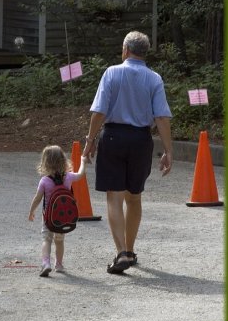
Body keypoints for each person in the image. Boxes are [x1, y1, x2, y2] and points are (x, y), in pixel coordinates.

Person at [82, 30, 172, 274]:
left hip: (113, 136)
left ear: (125, 50)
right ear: (145, 53)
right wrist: (168, 150)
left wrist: (90, 140)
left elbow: (99, 111)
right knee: (134, 196)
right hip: (141, 139)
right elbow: (161, 116)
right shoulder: (154, 78)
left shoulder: (112, 73)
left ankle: (121, 252)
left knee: (114, 196)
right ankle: (130, 251)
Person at [28, 145, 88, 277]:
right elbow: (80, 174)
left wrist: (31, 211)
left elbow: (38, 198)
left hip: (49, 218)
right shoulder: (69, 177)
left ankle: (46, 263)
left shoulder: (44, 181)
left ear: (45, 163)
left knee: (47, 239)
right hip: (63, 218)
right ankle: (59, 265)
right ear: (63, 160)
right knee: (59, 241)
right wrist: (83, 161)